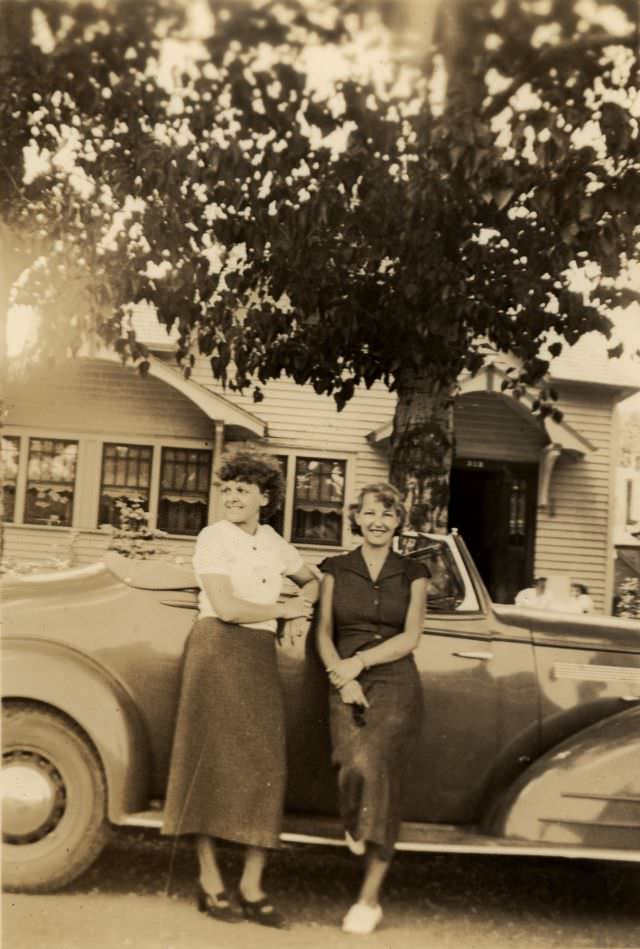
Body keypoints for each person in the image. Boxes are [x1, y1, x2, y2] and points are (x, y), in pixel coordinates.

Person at [162, 450, 318, 928]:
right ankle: (210, 881)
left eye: (243, 490)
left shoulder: (273, 542)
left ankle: (252, 886)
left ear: (263, 498)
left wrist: (304, 607)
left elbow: (313, 579)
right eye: (226, 489)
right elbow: (227, 608)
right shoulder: (213, 538)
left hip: (255, 658)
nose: (232, 497)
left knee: (263, 764)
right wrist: (286, 612)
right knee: (206, 761)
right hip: (215, 651)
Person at [315, 483, 428, 935]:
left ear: (398, 520)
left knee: (377, 769)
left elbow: (410, 636)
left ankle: (369, 899)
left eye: (387, 513)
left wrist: (358, 664)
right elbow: (323, 631)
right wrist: (342, 677)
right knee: (350, 765)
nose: (378, 521)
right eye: (369, 513)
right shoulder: (336, 569)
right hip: (342, 676)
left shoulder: (413, 571)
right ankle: (356, 821)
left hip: (396, 681)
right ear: (356, 518)